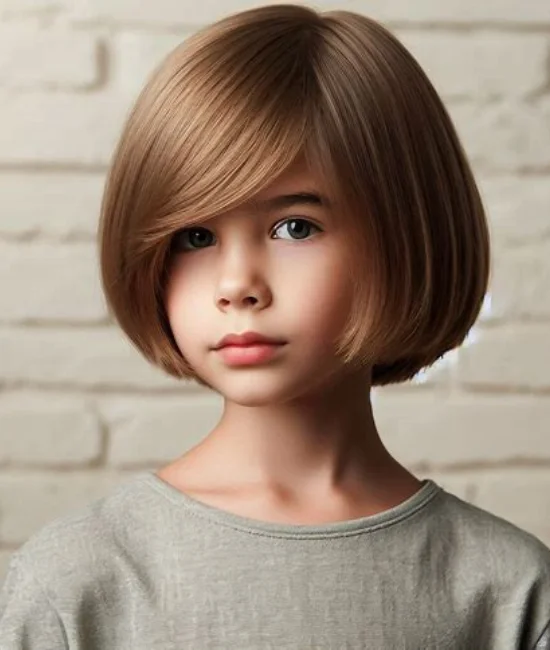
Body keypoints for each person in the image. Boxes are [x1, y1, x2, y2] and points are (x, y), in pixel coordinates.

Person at [1, 4, 549, 648]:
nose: (237, 285)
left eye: (295, 227)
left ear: (407, 235)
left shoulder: (507, 591)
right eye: (196, 235)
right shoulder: (79, 580)